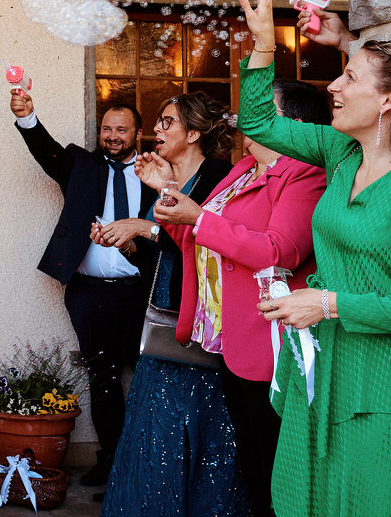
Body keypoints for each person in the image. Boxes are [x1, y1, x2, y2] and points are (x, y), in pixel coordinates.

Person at [241, 0, 391, 517]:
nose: (332, 86)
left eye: (349, 78)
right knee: (310, 498)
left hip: (388, 381)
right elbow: (256, 119)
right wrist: (262, 46)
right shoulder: (338, 151)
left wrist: (327, 303)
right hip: (323, 365)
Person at [147, 81, 329, 517]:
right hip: (230, 337)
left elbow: (277, 251)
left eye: (264, 109)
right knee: (251, 456)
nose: (249, 117)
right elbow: (199, 238)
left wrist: (198, 215)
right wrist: (168, 194)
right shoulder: (245, 167)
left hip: (268, 339)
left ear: (294, 126)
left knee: (272, 459)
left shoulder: (305, 173)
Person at [96, 92, 238, 516]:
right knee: (154, 429)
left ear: (193, 133)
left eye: (167, 122)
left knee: (198, 429)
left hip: (201, 321)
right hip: (162, 316)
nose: (156, 129)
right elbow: (166, 250)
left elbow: (210, 242)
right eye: (158, 122)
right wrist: (126, 240)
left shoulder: (220, 177)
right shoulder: (168, 178)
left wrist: (144, 226)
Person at [9, 92, 156, 487]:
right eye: (106, 129)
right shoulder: (82, 165)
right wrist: (28, 118)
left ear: (137, 134)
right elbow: (47, 152)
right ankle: (110, 462)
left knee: (148, 378)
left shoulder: (156, 172)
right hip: (89, 293)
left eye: (121, 130)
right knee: (103, 379)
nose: (112, 136)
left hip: (142, 294)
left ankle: (144, 465)